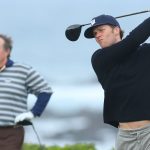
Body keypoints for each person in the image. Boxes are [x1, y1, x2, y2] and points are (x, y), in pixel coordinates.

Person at [84, 14, 150, 149]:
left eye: (101, 30)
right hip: (125, 137)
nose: (97, 35)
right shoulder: (99, 59)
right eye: (95, 33)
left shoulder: (145, 52)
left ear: (116, 30)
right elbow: (133, 40)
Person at [0, 34, 52, 150]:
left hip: (10, 133)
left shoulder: (23, 71)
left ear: (7, 50)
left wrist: (33, 113)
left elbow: (45, 91)